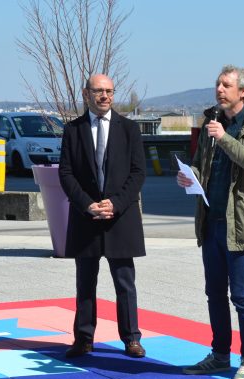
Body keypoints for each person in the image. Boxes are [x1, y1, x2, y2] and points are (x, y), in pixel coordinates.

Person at [176, 65, 244, 379]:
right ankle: (220, 355)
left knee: (242, 295)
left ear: (243, 92)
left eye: (226, 85)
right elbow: (204, 161)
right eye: (218, 83)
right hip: (211, 220)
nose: (219, 89)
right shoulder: (212, 121)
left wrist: (225, 139)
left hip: (242, 223)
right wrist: (189, 173)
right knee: (214, 293)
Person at [58, 74, 147, 359]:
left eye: (109, 91)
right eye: (99, 91)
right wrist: (86, 204)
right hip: (87, 218)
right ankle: (83, 338)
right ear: (87, 94)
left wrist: (116, 204)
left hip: (120, 218)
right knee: (85, 283)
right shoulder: (73, 130)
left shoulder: (130, 129)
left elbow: (138, 173)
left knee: (125, 282)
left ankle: (131, 338)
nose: (105, 96)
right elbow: (66, 173)